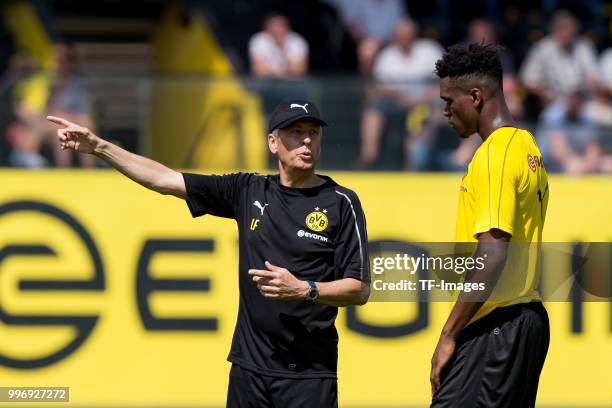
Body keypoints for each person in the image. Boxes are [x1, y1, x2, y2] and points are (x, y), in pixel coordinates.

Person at [47, 99, 370, 407]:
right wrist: (99, 147)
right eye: (296, 133)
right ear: (273, 143)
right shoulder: (249, 189)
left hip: (309, 375)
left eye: (313, 133)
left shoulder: (340, 201)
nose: (306, 142)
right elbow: (164, 179)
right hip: (249, 369)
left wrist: (305, 289)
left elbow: (359, 289)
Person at [430, 43, 550, 407]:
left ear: (476, 97)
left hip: (495, 324)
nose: (446, 111)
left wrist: (449, 333)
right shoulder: (527, 146)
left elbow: (493, 250)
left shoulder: (495, 154)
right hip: (525, 320)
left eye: (449, 101)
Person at [355, 18, 442, 170]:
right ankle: (368, 156)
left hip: (425, 105)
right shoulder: (387, 55)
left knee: (426, 118)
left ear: (414, 34)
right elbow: (376, 88)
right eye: (399, 35)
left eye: (406, 34)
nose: (402, 38)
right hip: (396, 104)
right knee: (373, 108)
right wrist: (398, 96)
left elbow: (443, 82)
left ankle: (414, 167)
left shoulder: (429, 50)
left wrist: (419, 100)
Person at [520, 10, 599, 108]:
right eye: (563, 27)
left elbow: (593, 77)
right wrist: (545, 94)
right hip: (555, 102)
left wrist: (586, 92)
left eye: (571, 27)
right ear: (554, 29)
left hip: (584, 102)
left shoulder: (584, 45)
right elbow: (528, 79)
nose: (568, 31)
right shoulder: (542, 49)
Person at [248, 12, 308, 80]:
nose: (277, 29)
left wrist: (281, 47)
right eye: (273, 25)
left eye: (280, 25)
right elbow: (258, 69)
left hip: (292, 82)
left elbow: (299, 70)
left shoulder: (296, 40)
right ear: (266, 27)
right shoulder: (258, 40)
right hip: (265, 82)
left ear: (287, 26)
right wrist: (279, 74)